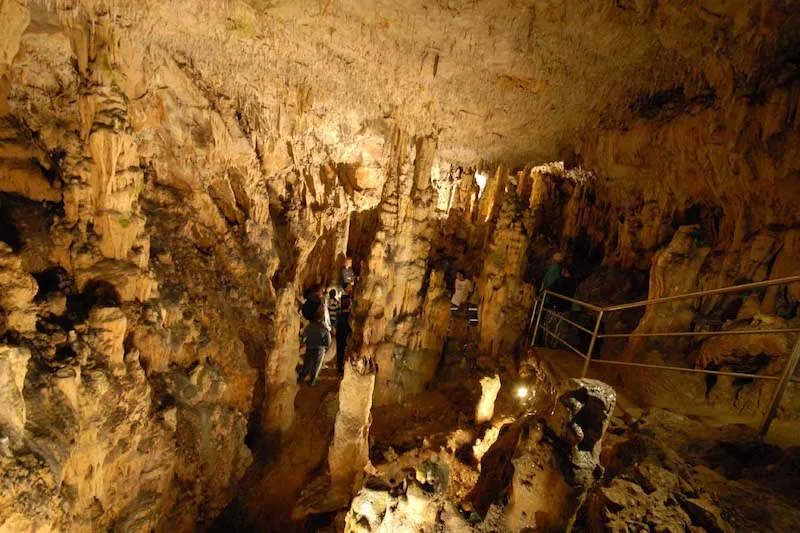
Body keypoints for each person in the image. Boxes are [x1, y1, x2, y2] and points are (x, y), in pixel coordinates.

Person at [297, 305, 332, 386]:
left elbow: (304, 337)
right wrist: (325, 347)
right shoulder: (323, 328)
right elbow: (328, 341)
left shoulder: (308, 327)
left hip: (310, 348)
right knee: (316, 366)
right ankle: (312, 381)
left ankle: (300, 378)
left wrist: (306, 343)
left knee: (306, 365)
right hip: (320, 349)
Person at [335, 282, 354, 377]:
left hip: (340, 334)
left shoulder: (339, 315)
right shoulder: (350, 317)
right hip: (346, 333)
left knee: (340, 350)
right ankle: (346, 367)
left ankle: (340, 368)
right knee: (345, 350)